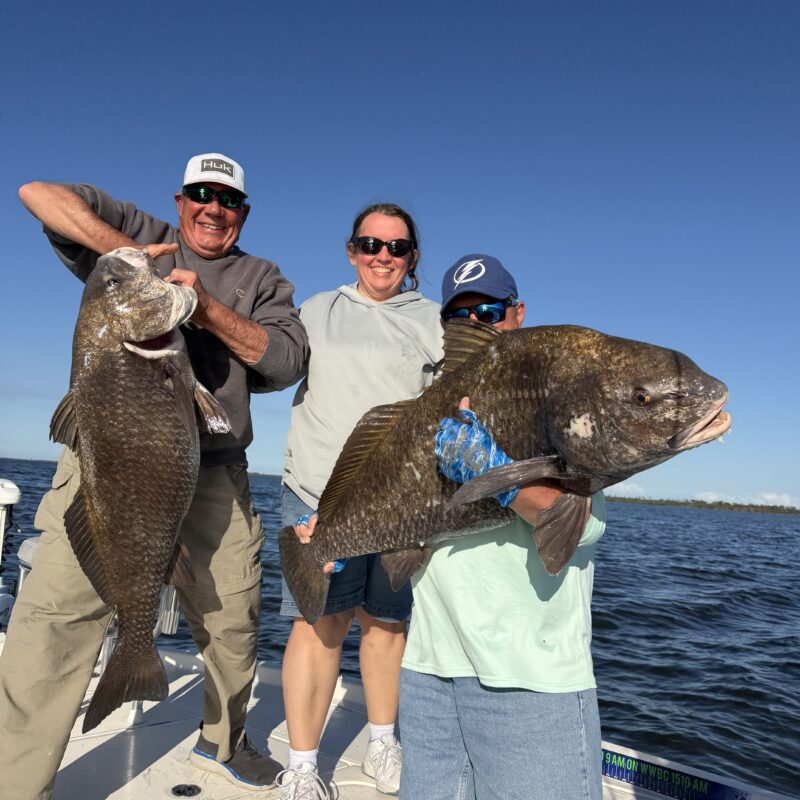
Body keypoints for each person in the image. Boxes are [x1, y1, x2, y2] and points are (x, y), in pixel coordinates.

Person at [0, 153, 309, 798]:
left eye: (228, 200)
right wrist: (131, 261)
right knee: (55, 619)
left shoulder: (262, 276)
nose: (213, 208)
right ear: (179, 200)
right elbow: (36, 193)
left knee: (232, 621)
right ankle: (15, 782)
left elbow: (284, 362)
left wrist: (203, 310)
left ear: (243, 212)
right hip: (105, 465)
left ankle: (223, 742)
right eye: (201, 193)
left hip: (216, 475)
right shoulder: (138, 241)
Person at [398, 254, 606, 800]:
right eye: (459, 317)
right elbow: (397, 505)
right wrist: (334, 525)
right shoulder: (430, 404)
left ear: (518, 314)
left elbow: (581, 529)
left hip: (528, 679)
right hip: (428, 667)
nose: (477, 325)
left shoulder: (558, 394)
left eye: (489, 311)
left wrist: (497, 475)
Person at [277, 204, 443, 799]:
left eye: (396, 247)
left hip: (402, 503)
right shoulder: (316, 311)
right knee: (318, 625)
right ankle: (301, 767)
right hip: (316, 495)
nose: (382, 256)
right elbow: (266, 363)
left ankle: (382, 742)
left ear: (412, 257)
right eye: (371, 244)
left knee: (388, 624)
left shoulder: (434, 321)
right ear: (352, 251)